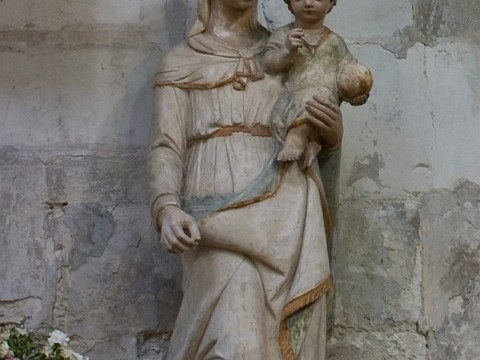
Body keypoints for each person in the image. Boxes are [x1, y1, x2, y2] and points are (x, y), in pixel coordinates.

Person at [147, 0, 344, 358]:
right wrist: (167, 208)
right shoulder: (180, 61)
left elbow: (314, 110)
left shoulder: (288, 47)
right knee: (236, 340)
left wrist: (330, 135)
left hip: (288, 212)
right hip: (216, 214)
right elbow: (166, 145)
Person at [263, 0, 372, 168]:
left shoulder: (335, 42)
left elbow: (348, 74)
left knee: (320, 97)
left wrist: (356, 95)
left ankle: (306, 141)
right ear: (289, 3)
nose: (308, 3)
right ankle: (302, 140)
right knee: (312, 97)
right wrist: (286, 51)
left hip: (323, 106)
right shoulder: (283, 35)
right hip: (291, 102)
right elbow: (268, 66)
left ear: (331, 3)